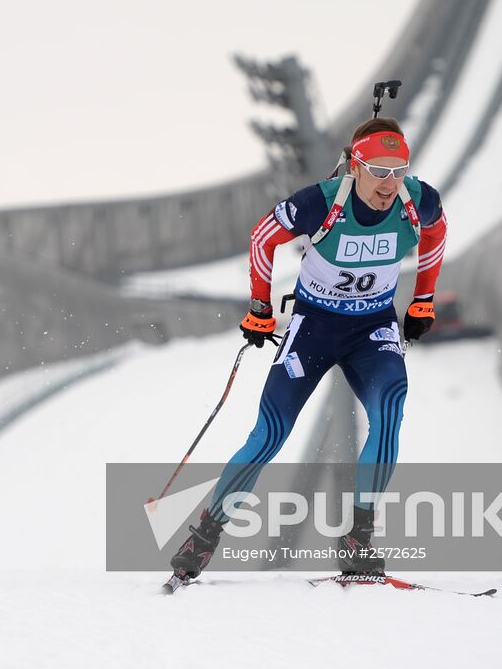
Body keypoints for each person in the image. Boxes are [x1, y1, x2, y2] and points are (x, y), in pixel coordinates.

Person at [170, 116, 447, 580]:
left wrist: (422, 300)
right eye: (378, 172)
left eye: (398, 171)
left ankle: (359, 538)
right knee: (270, 433)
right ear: (354, 166)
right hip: (315, 327)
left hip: (371, 329)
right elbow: (263, 238)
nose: (388, 183)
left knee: (391, 411)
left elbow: (437, 236)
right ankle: (205, 535)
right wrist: (260, 306)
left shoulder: (417, 199)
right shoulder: (321, 202)